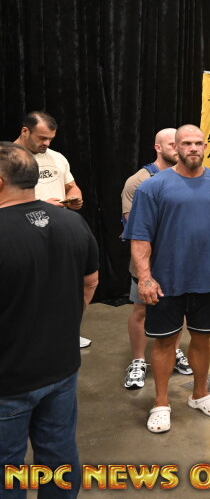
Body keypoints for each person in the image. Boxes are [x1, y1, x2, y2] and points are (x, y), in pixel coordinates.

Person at [122, 124, 210, 434]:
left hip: (209, 280)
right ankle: (161, 403)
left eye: (198, 143)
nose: (193, 148)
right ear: (176, 147)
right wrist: (145, 278)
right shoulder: (153, 187)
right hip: (166, 281)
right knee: (165, 342)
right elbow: (140, 237)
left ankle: (200, 394)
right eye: (186, 143)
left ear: (205, 146)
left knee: (202, 339)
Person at [0, 142, 99, 498]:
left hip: (8, 378)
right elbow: (91, 282)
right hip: (61, 367)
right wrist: (64, 326)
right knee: (58, 454)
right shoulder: (72, 222)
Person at [121, 128, 191, 390]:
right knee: (141, 310)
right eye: (172, 144)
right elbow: (135, 228)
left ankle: (173, 350)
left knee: (180, 309)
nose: (179, 148)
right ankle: (139, 360)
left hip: (181, 261)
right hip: (148, 261)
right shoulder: (138, 181)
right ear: (158, 148)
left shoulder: (191, 176)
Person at [13, 111, 91, 348]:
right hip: (23, 235)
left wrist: (75, 196)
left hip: (58, 233)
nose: (46, 143)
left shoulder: (56, 157)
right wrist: (40, 205)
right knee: (29, 290)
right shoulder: (7, 158)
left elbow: (71, 185)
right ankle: (27, 340)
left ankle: (67, 332)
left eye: (50, 139)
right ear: (25, 131)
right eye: (42, 138)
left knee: (65, 286)